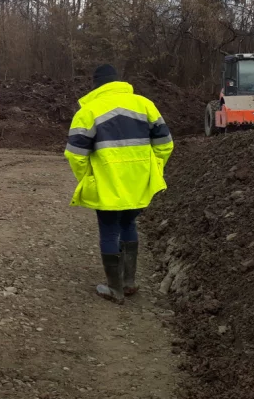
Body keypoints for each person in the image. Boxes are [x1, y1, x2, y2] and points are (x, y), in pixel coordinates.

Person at [64, 64, 174, 304]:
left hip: (107, 184)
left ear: (96, 85)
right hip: (139, 184)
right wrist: (152, 170)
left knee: (109, 230)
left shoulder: (89, 111)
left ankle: (115, 290)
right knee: (129, 223)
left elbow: (75, 153)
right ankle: (129, 282)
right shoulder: (145, 105)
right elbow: (165, 144)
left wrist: (88, 177)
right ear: (118, 82)